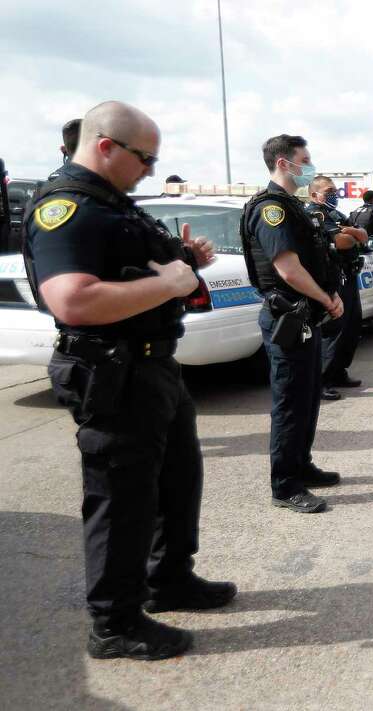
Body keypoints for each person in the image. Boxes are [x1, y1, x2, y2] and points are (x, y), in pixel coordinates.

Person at [24, 101, 234, 660]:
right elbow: (73, 299)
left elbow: (140, 271)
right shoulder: (66, 208)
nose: (150, 167)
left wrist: (185, 262)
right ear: (105, 146)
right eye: (145, 157)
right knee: (121, 498)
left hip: (154, 363)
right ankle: (115, 623)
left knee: (174, 482)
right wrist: (169, 284)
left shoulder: (112, 204)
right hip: (112, 370)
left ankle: (170, 580)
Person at [243, 133, 344, 515]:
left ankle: (301, 465)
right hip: (288, 315)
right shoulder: (272, 209)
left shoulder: (291, 204)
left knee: (307, 396)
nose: (310, 165)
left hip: (304, 316)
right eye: (305, 159)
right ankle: (285, 485)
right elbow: (287, 268)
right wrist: (326, 298)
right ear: (284, 163)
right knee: (289, 403)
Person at [307, 176, 368, 401]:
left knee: (352, 327)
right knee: (334, 330)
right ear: (315, 195)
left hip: (349, 275)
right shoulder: (317, 213)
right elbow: (343, 242)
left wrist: (348, 231)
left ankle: (339, 371)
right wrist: (351, 234)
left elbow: (363, 235)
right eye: (328, 190)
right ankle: (323, 380)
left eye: (334, 190)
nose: (334, 194)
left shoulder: (336, 214)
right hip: (334, 278)